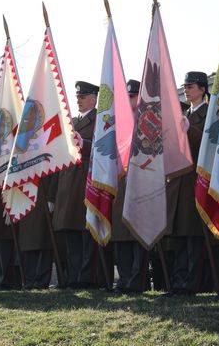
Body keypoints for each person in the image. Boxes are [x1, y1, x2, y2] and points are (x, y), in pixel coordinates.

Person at [49, 81, 100, 289]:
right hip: (68, 184)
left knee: (86, 233)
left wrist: (84, 144)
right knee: (71, 234)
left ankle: (86, 278)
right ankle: (73, 277)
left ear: (94, 98)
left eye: (83, 96)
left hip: (85, 183)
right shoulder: (72, 123)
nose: (78, 100)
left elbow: (104, 150)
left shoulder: (100, 120)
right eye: (77, 96)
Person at [166, 71, 210, 296]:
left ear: (203, 88)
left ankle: (192, 283)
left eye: (191, 86)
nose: (186, 90)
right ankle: (178, 282)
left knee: (193, 236)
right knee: (179, 237)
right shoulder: (183, 114)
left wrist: (189, 129)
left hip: (196, 179)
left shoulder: (209, 113)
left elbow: (209, 142)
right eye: (185, 86)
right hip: (178, 181)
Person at [111, 79, 150, 294]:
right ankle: (124, 279)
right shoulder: (120, 125)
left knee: (137, 236)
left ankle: (137, 281)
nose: (129, 101)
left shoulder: (147, 122)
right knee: (121, 236)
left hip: (141, 185)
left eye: (132, 97)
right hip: (121, 185)